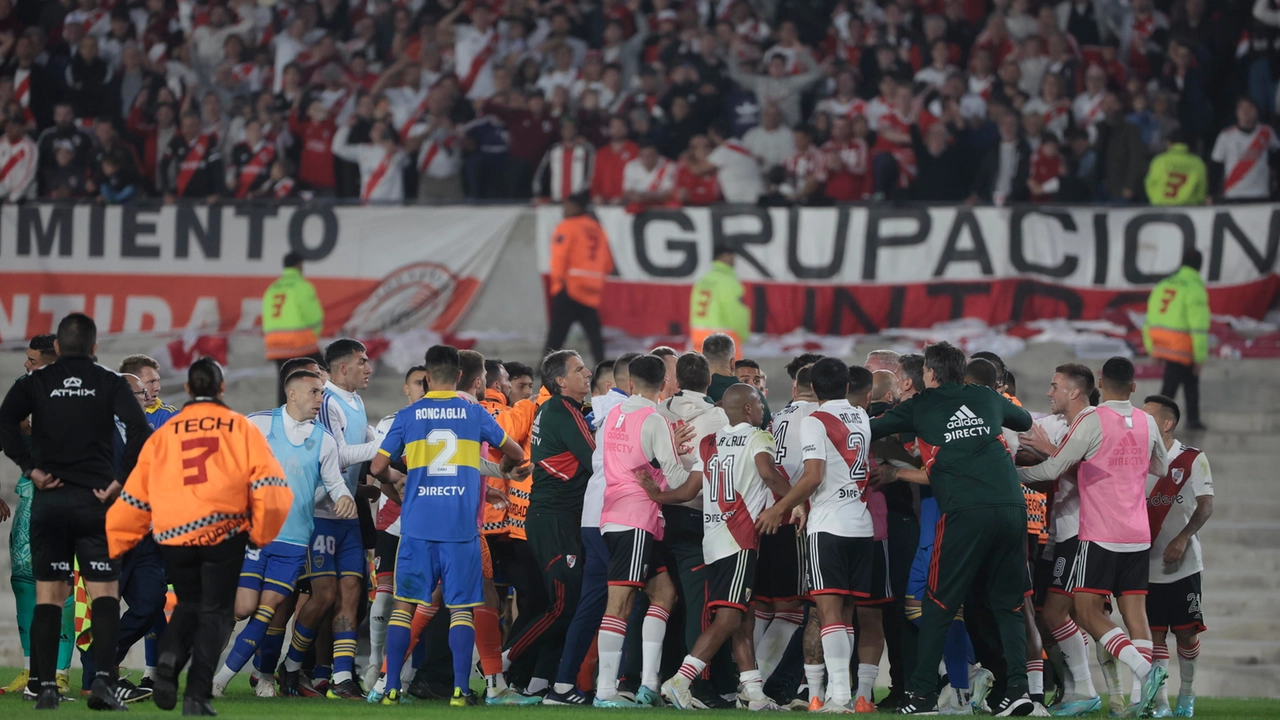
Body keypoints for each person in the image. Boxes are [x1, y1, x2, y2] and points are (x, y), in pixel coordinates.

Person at [105, 357, 291, 716]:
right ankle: (196, 695)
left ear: (188, 389)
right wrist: (260, 533)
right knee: (216, 613)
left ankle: (167, 663)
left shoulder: (165, 433)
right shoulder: (240, 428)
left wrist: (117, 539)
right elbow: (273, 488)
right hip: (224, 534)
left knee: (189, 605)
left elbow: (136, 494)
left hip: (173, 536)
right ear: (222, 388)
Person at [867, 342, 1038, 716]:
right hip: (1011, 508)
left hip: (965, 512)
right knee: (1009, 606)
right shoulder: (984, 395)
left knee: (939, 603)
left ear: (929, 373)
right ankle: (1019, 692)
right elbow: (1024, 423)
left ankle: (924, 695)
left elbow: (871, 427)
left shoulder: (922, 404)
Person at [0, 313, 152, 710]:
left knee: (50, 595)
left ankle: (45, 686)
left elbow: (4, 420)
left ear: (58, 348)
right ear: (94, 346)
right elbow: (141, 431)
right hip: (96, 504)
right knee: (104, 594)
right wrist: (119, 479)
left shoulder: (36, 382)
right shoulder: (109, 381)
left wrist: (28, 467)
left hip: (49, 505)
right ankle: (103, 684)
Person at [370, 345, 526, 707]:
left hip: (417, 527)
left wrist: (403, 482)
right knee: (461, 609)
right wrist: (500, 469)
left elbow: (378, 468)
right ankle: (460, 690)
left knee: (404, 607)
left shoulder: (408, 415)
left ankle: (390, 687)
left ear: (426, 377)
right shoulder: (474, 413)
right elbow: (515, 453)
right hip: (460, 529)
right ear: (458, 376)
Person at [1018, 357, 1170, 718]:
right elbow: (1161, 467)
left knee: (1086, 613)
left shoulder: (1092, 418)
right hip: (1138, 533)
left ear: (1101, 382)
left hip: (1099, 532)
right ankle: (1142, 702)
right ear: (1134, 387)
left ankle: (1147, 672)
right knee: (1136, 615)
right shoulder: (1148, 422)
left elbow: (1055, 468)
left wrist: (1012, 474)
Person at [211, 369, 357, 698]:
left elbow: (334, 481)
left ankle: (222, 680)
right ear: (292, 394)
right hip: (254, 536)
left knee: (268, 610)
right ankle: (207, 660)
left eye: (322, 392)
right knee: (242, 608)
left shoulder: (325, 439)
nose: (321, 398)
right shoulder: (257, 424)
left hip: (293, 541)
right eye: (315, 392)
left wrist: (345, 497)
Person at [644, 384, 788, 711]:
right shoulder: (759, 437)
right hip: (739, 540)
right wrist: (796, 501)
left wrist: (658, 496)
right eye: (758, 403)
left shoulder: (710, 443)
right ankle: (681, 678)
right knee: (728, 618)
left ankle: (753, 692)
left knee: (742, 616)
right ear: (749, 410)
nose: (763, 408)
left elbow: (688, 491)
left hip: (712, 540)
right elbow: (769, 475)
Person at [756, 358, 876, 713]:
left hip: (829, 526)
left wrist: (780, 507)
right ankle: (845, 695)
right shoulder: (861, 417)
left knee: (828, 613)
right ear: (845, 386)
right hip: (861, 523)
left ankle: (838, 697)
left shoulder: (815, 421)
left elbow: (812, 476)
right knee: (848, 612)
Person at [283, 339, 379, 699]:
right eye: (363, 361)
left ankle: (340, 677)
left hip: (347, 514)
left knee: (352, 591)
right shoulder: (329, 402)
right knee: (322, 596)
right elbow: (338, 457)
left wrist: (387, 473)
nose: (368, 367)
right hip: (319, 514)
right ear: (343, 368)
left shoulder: (355, 402)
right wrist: (387, 444)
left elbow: (370, 447)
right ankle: (291, 667)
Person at [591, 355, 687, 707]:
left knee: (664, 595)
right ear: (663, 384)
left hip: (617, 515)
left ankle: (648, 685)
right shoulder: (654, 419)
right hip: (635, 520)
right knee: (620, 604)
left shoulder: (612, 415)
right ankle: (604, 692)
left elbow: (601, 462)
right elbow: (676, 477)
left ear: (630, 382)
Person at [500, 351, 595, 691]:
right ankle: (501, 663)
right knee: (563, 605)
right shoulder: (560, 411)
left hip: (557, 518)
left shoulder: (564, 410)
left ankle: (543, 683)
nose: (588, 373)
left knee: (565, 605)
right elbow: (596, 460)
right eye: (579, 369)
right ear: (560, 381)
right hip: (554, 519)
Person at [3, 335, 78, 699]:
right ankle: (33, 670)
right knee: (24, 577)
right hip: (32, 493)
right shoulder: (23, 388)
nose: (26, 365)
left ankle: (59, 673)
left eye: (33, 360)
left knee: (64, 586)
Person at [1141, 395, 1213, 718]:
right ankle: (1161, 704)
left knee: (1185, 632)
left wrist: (1184, 538)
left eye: (1149, 416)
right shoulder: (1138, 460)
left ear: (1167, 424)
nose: (1142, 422)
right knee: (1155, 635)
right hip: (1146, 565)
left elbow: (1206, 504)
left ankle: (1187, 693)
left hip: (1184, 566)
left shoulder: (1192, 459)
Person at [1143, 248, 1209, 430]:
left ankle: (1193, 420)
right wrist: (1200, 356)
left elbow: (1149, 318)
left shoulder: (1164, 284)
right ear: (1200, 267)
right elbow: (1199, 327)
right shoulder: (1195, 288)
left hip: (1161, 343)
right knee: (1170, 388)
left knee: (1190, 381)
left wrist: (1152, 348)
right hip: (1181, 346)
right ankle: (1153, 422)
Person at [544, 192, 613, 365]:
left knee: (557, 334)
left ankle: (543, 367)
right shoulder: (598, 228)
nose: (564, 210)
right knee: (594, 335)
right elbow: (608, 262)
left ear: (576, 207)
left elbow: (559, 256)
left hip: (570, 287)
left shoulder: (567, 226)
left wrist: (558, 284)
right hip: (592, 288)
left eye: (567, 206)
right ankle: (602, 366)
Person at [262, 253, 325, 405]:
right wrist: (313, 335)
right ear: (300, 265)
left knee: (285, 385)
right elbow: (315, 317)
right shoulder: (302, 286)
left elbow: (266, 316)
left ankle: (283, 421)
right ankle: (326, 416)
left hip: (274, 344)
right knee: (325, 375)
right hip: (300, 342)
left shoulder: (272, 288)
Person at [1209, 96, 1279, 203]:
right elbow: (1215, 168)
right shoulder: (1226, 136)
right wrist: (1211, 193)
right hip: (1233, 194)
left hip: (1260, 194)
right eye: (1242, 109)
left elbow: (1276, 160)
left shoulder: (1267, 132)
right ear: (1237, 112)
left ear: (1256, 111)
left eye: (1249, 108)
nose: (1246, 112)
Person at [690, 246, 751, 358]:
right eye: (732, 255)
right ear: (724, 256)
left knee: (703, 373)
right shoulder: (728, 282)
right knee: (729, 373)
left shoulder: (702, 281)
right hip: (723, 338)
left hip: (699, 337)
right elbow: (736, 313)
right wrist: (743, 334)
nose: (734, 259)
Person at [1144, 131, 1207, 205]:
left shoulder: (1159, 160)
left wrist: (1155, 199)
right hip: (1188, 208)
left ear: (1169, 143)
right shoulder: (1198, 163)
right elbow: (1201, 190)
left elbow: (1150, 183)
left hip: (1161, 206)